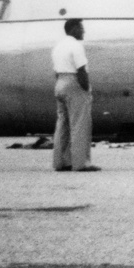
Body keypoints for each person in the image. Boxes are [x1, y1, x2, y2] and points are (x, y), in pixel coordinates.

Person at [51, 19, 98, 171]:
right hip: (73, 83)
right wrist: (85, 89)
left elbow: (56, 72)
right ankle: (80, 163)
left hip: (60, 83)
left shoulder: (58, 46)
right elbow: (81, 70)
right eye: (81, 28)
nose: (83, 31)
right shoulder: (76, 46)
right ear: (73, 29)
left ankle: (61, 162)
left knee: (62, 125)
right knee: (80, 124)